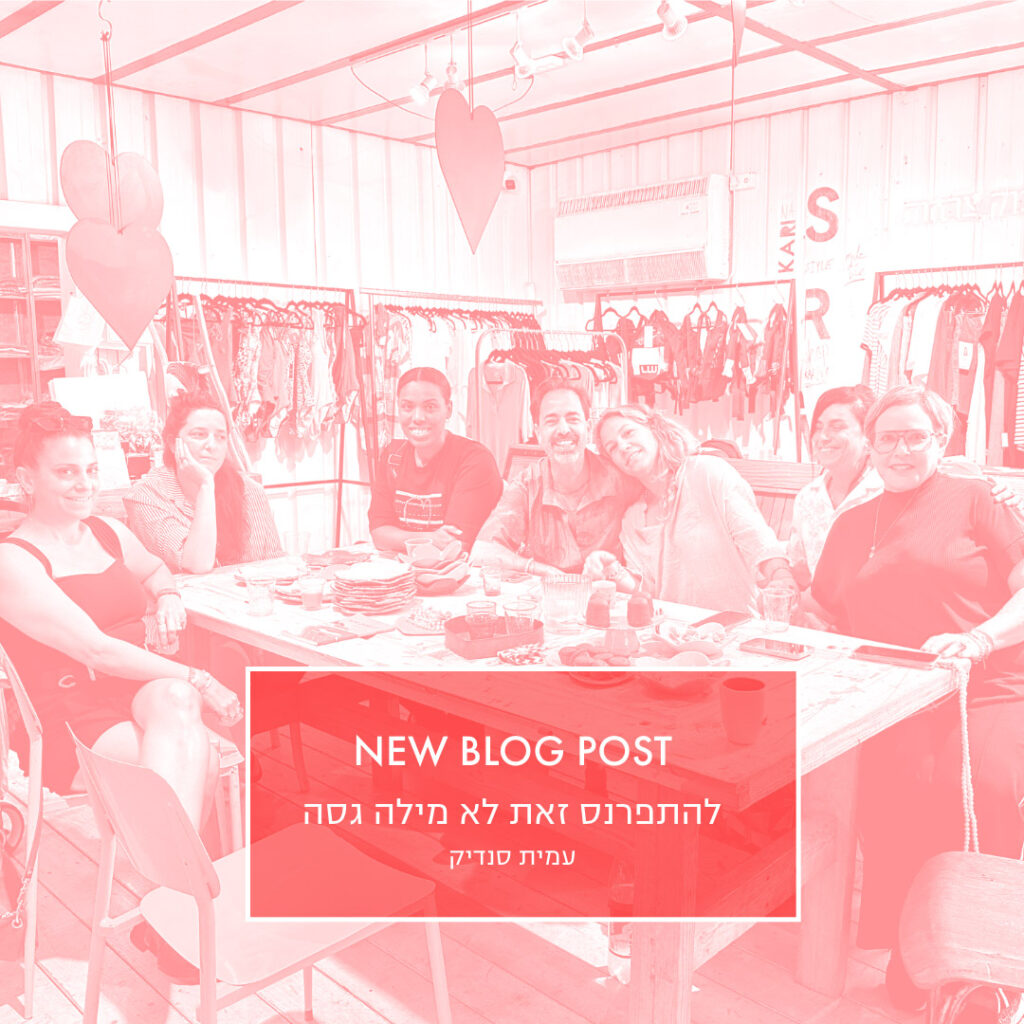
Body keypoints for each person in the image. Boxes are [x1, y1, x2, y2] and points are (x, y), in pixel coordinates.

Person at [811, 385, 1024, 1010]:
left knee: (979, 789)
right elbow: (822, 609)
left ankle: (980, 965)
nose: (900, 450)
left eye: (915, 437)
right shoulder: (853, 523)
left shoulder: (977, 499)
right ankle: (911, 954)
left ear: (941, 440)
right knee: (890, 798)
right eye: (888, 438)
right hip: (892, 696)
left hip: (985, 685)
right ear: (870, 446)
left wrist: (980, 639)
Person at [0, 402, 241, 827]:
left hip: (136, 690)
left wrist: (168, 596)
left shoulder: (107, 532)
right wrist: (201, 679)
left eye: (91, 470)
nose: (85, 484)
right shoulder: (13, 560)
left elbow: (154, 569)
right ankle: (177, 866)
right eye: (66, 472)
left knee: (177, 696)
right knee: (199, 758)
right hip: (71, 713)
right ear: (26, 478)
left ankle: (168, 863)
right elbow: (97, 650)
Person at [791, 384, 1024, 589]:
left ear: (866, 439)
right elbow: (806, 577)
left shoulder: (900, 480)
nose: (823, 436)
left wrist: (1003, 495)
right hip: (842, 617)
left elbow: (947, 474)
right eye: (818, 427)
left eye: (837, 427)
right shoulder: (809, 498)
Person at [586, 404, 796, 611]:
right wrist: (612, 570)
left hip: (736, 623)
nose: (623, 446)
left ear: (655, 428)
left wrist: (781, 576)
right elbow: (646, 593)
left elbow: (757, 541)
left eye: (628, 433)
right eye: (612, 448)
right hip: (673, 628)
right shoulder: (631, 519)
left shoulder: (708, 473)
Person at [472, 381, 639, 576]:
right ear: (538, 432)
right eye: (551, 421)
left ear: (588, 426)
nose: (563, 430)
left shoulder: (621, 479)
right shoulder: (527, 486)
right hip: (548, 591)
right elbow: (481, 552)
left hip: (610, 592)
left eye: (573, 419)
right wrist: (538, 569)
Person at [124, 388, 283, 573]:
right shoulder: (146, 496)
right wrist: (206, 486)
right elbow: (197, 564)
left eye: (220, 437)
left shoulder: (250, 491)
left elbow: (276, 563)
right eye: (199, 435)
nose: (211, 445)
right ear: (173, 443)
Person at [368, 367, 502, 553]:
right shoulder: (392, 456)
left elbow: (453, 546)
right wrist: (429, 538)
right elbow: (379, 534)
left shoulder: (474, 460)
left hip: (459, 570)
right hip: (403, 568)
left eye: (430, 407)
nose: (418, 418)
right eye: (407, 407)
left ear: (448, 409)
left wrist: (399, 538)